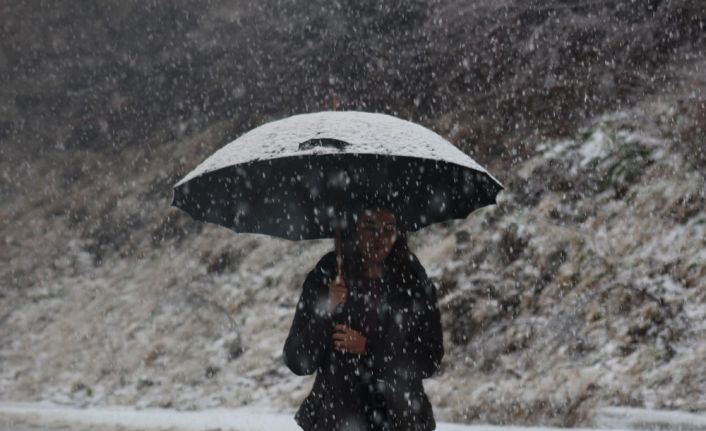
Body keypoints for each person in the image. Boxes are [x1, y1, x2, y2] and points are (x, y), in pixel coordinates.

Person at [283, 207, 444, 431]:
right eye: (370, 227)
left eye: (389, 229)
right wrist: (326, 310)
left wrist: (369, 348)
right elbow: (298, 360)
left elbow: (430, 359)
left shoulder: (412, 278)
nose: (380, 237)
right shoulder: (328, 274)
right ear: (354, 229)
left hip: (401, 417)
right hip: (337, 418)